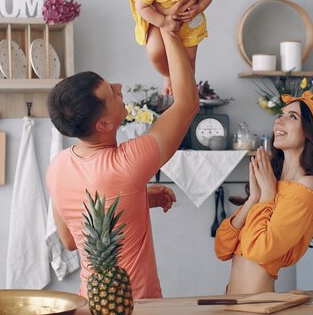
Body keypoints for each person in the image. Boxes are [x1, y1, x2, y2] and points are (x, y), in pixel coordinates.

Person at [45, 23, 199, 299]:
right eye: (111, 93)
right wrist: (168, 30)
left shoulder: (57, 166)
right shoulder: (127, 163)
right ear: (103, 123)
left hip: (91, 301)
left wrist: (136, 199)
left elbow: (70, 240)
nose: (119, 87)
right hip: (135, 305)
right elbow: (187, 104)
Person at [214, 90, 313, 294]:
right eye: (281, 114)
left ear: (311, 133)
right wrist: (253, 199)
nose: (279, 120)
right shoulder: (271, 182)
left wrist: (267, 196)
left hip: (260, 306)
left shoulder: (308, 185)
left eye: (292, 116)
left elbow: (261, 249)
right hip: (231, 303)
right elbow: (222, 247)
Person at [130, 0, 217, 95]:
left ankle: (186, 89)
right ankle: (167, 75)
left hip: (189, 22)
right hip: (159, 20)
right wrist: (163, 21)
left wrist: (199, 7)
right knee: (155, 52)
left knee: (189, 61)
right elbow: (140, 6)